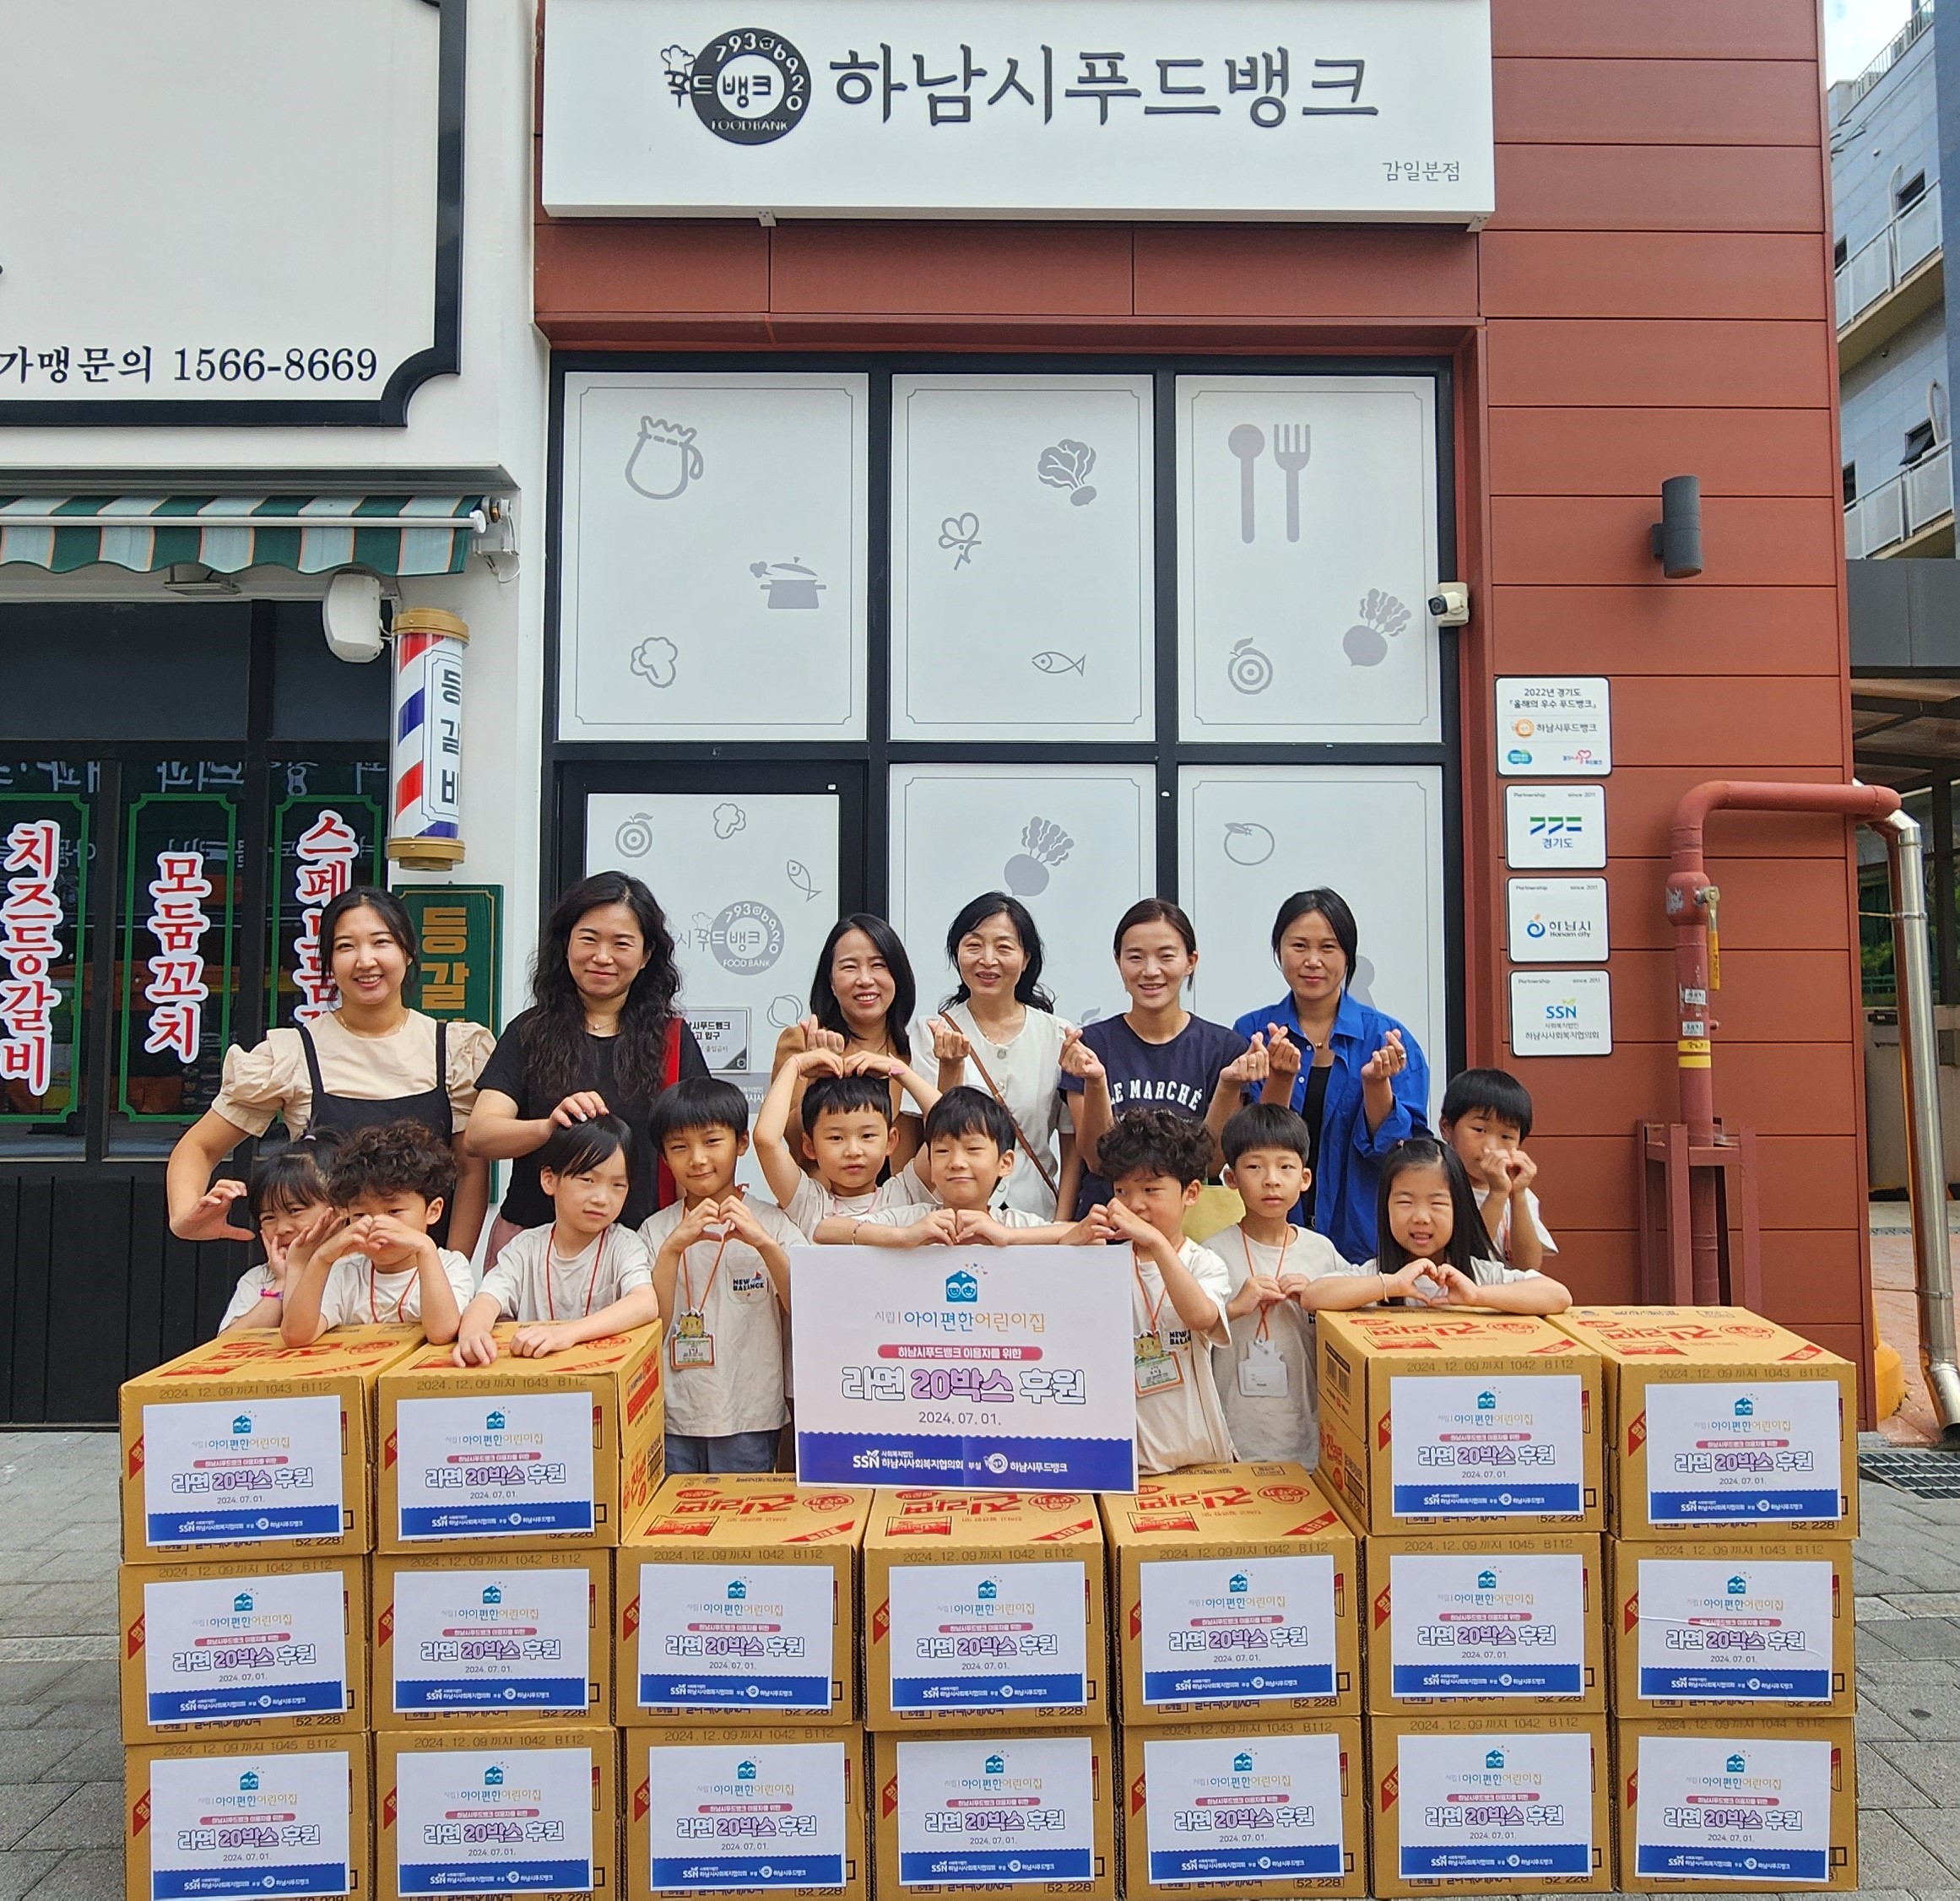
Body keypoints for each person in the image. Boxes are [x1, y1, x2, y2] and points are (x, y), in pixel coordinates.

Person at [166, 887, 492, 1254]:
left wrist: (453, 1268)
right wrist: (185, 1217)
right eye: (345, 946)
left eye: (381, 942)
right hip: (320, 1274)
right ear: (328, 962)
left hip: (421, 1275)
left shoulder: (454, 1050)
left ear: (407, 951)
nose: (365, 961)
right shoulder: (293, 1053)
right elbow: (200, 1146)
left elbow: (471, 1171)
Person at [467, 873, 708, 1264]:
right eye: (589, 939)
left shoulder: (672, 1040)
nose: (602, 957)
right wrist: (548, 1127)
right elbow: (480, 1136)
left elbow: (694, 1149)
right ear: (566, 944)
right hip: (532, 1250)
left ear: (646, 955)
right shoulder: (528, 1032)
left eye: (621, 944)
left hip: (641, 1248)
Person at [1232, 887, 1429, 1265]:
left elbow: (1403, 1155)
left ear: (1348, 956)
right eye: (1299, 946)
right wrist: (1280, 1079)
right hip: (1269, 1241)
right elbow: (1250, 1144)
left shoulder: (1386, 1037)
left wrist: (1377, 1086)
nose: (1313, 961)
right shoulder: (1252, 1032)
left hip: (1366, 1241)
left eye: (1328, 948)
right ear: (1279, 950)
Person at [638, 1077, 802, 1475]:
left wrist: (763, 1243)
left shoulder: (771, 1222)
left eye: (712, 1141)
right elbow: (649, 1325)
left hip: (749, 1416)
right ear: (664, 1158)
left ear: (741, 1142)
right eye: (679, 1147)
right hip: (672, 1414)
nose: (697, 1159)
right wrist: (672, 1250)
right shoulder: (655, 1231)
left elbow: (805, 1306)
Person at [1059, 900, 1253, 1221]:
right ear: (1118, 962)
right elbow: (1096, 1160)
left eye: (1166, 956)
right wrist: (1095, 1082)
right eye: (1135, 957)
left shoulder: (1223, 1049)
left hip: (1189, 1232)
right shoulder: (1091, 1046)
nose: (1150, 971)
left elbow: (1212, 1165)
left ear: (1190, 962)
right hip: (1106, 1227)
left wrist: (1228, 1086)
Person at [1209, 1105, 1356, 1465]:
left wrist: (1318, 1297)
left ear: (1305, 1179)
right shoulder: (1212, 1253)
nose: (1271, 1180)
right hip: (1231, 1437)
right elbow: (1189, 1332)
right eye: (1255, 1167)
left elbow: (1354, 1324)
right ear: (1231, 1179)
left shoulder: (1321, 1251)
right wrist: (1234, 1308)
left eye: (1285, 1167)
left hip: (1307, 1436)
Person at [1091, 1108, 1236, 1476]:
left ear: (1191, 1193)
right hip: (1128, 1461)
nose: (1134, 1204)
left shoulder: (1204, 1263)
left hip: (1198, 1454)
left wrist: (1156, 1243)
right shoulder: (1104, 1264)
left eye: (1150, 1190)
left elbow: (1201, 1317)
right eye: (1121, 1191)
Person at [915, 894, 1077, 1221]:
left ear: (1026, 958)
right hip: (953, 1219)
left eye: (1004, 948)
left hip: (1035, 1219)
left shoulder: (1059, 1035)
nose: (988, 960)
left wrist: (1060, 1225)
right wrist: (950, 1067)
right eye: (974, 946)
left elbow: (1073, 1147)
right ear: (956, 953)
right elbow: (936, 1135)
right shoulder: (932, 1031)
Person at [452, 1115, 659, 1366]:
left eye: (618, 1185)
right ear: (550, 1180)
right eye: (588, 1180)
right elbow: (487, 1299)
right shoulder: (525, 1248)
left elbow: (645, 1303)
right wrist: (473, 1333)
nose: (602, 1198)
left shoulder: (624, 1245)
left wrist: (567, 1333)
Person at [814, 1087, 1100, 1248]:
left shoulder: (1013, 1224)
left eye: (973, 1150)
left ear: (1005, 1163)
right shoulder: (914, 1219)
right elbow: (825, 1230)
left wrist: (1008, 1237)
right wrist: (905, 1236)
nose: (957, 1162)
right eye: (942, 1151)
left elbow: (1087, 1238)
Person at [278, 1120, 475, 1344]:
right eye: (361, 1215)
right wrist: (321, 1259)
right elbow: (296, 1336)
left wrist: (425, 1249)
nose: (376, 1224)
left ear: (433, 1211)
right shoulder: (345, 1271)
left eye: (394, 1211)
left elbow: (442, 1333)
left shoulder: (450, 1266)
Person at [770, 913, 925, 1176]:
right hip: (824, 1199)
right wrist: (817, 1079)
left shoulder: (916, 1053)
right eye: (850, 967)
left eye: (878, 965)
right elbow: (796, 1142)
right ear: (831, 982)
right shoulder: (801, 1042)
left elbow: (943, 1136)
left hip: (903, 1200)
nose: (865, 979)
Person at [1357, 1135, 1572, 1314]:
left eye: (1437, 1203)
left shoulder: (1479, 1275)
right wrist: (1392, 1284)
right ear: (1385, 1208)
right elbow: (1332, 1292)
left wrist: (1477, 1296)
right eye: (1405, 1202)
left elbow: (1558, 1295)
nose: (1421, 1218)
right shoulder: (1375, 1274)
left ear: (1458, 1209)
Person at [755, 1048, 937, 1235]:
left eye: (867, 1136)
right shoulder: (808, 1204)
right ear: (810, 1147)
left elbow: (948, 1125)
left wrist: (898, 1069)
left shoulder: (905, 1193)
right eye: (836, 1138)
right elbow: (766, 1140)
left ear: (890, 1141)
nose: (853, 1151)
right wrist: (794, 1065)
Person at [215, 1139, 337, 1335]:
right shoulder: (260, 1279)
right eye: (269, 1217)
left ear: (339, 1209)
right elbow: (227, 1343)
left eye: (295, 1210)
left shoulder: (357, 1270)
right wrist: (282, 1283)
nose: (281, 1229)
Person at [1438, 1068, 1556, 1272]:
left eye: (1506, 1137)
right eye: (1479, 1130)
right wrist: (1497, 1194)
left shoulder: (1519, 1192)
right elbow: (1467, 1258)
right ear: (1447, 1128)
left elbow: (1528, 1266)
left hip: (1504, 1291)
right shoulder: (1437, 1186)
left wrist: (1518, 1195)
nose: (1491, 1147)